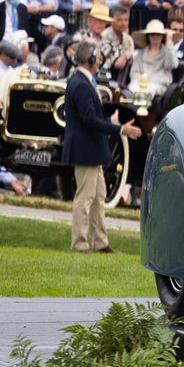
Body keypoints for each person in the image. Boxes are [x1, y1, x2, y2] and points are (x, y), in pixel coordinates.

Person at [63, 40, 142, 253]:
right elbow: (89, 120)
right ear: (89, 59)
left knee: (98, 197)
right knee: (85, 197)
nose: (100, 60)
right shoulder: (80, 84)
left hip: (91, 150)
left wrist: (109, 118)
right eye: (97, 57)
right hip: (85, 149)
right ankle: (79, 244)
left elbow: (92, 115)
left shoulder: (83, 81)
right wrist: (119, 129)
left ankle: (101, 242)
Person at [128, 19, 177, 96]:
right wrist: (140, 78)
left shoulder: (167, 52)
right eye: (152, 34)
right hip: (140, 83)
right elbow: (134, 72)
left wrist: (169, 43)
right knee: (131, 88)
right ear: (148, 36)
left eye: (158, 34)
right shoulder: (141, 54)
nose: (155, 37)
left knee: (148, 90)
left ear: (163, 36)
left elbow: (173, 65)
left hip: (158, 86)